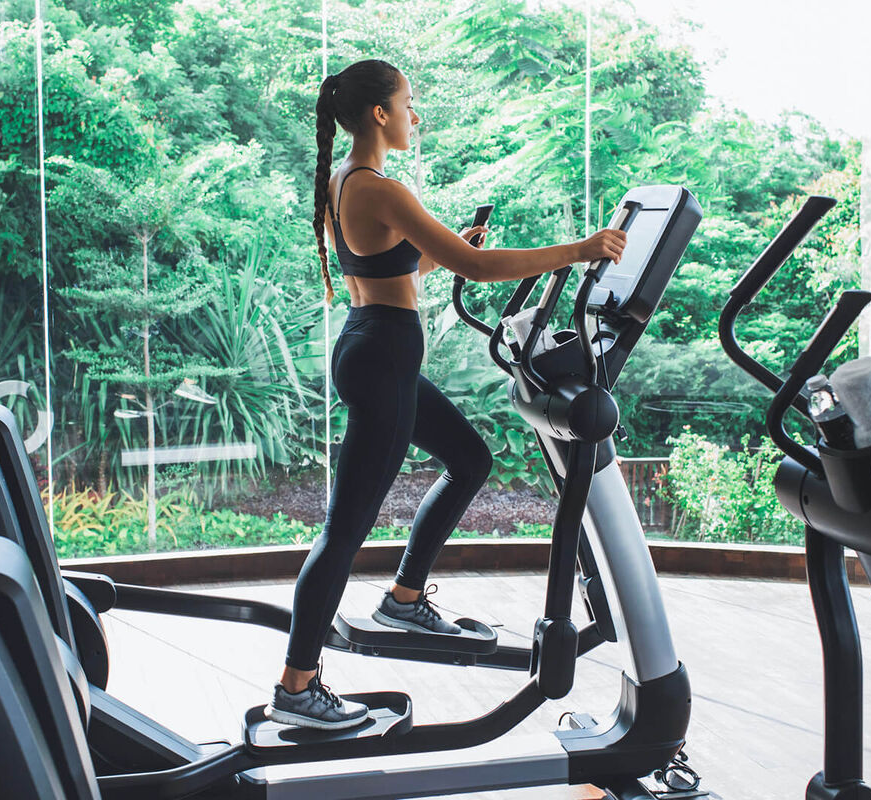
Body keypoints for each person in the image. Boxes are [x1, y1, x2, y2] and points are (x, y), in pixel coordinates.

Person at [265, 59, 627, 730]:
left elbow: (400, 261)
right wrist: (580, 249)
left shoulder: (345, 180)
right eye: (408, 103)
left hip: (374, 346)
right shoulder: (379, 185)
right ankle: (296, 685)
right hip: (383, 356)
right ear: (380, 114)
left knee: (470, 459)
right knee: (344, 529)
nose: (414, 115)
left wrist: (446, 247)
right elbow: (478, 269)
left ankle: (404, 597)